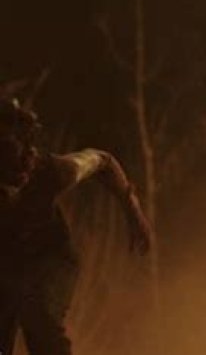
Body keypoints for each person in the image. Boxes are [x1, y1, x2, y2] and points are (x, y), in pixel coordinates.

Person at [0, 99, 151, 355]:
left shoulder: (51, 170)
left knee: (38, 314)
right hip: (7, 267)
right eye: (14, 155)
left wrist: (132, 208)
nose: (27, 161)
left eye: (30, 149)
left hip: (52, 257)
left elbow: (102, 160)